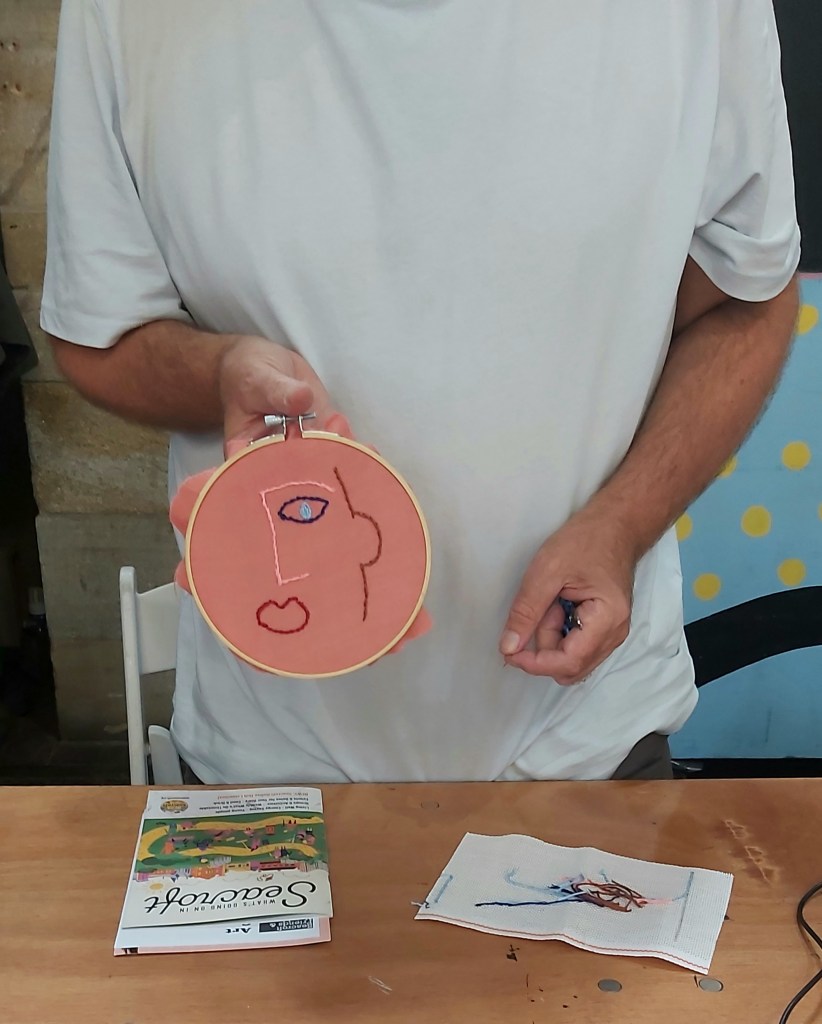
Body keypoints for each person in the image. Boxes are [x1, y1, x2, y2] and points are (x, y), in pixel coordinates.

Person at [42, 0, 800, 784]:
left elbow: (749, 298)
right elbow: (101, 331)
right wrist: (218, 369)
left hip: (590, 747)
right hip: (267, 768)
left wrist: (622, 524)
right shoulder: (129, 15)